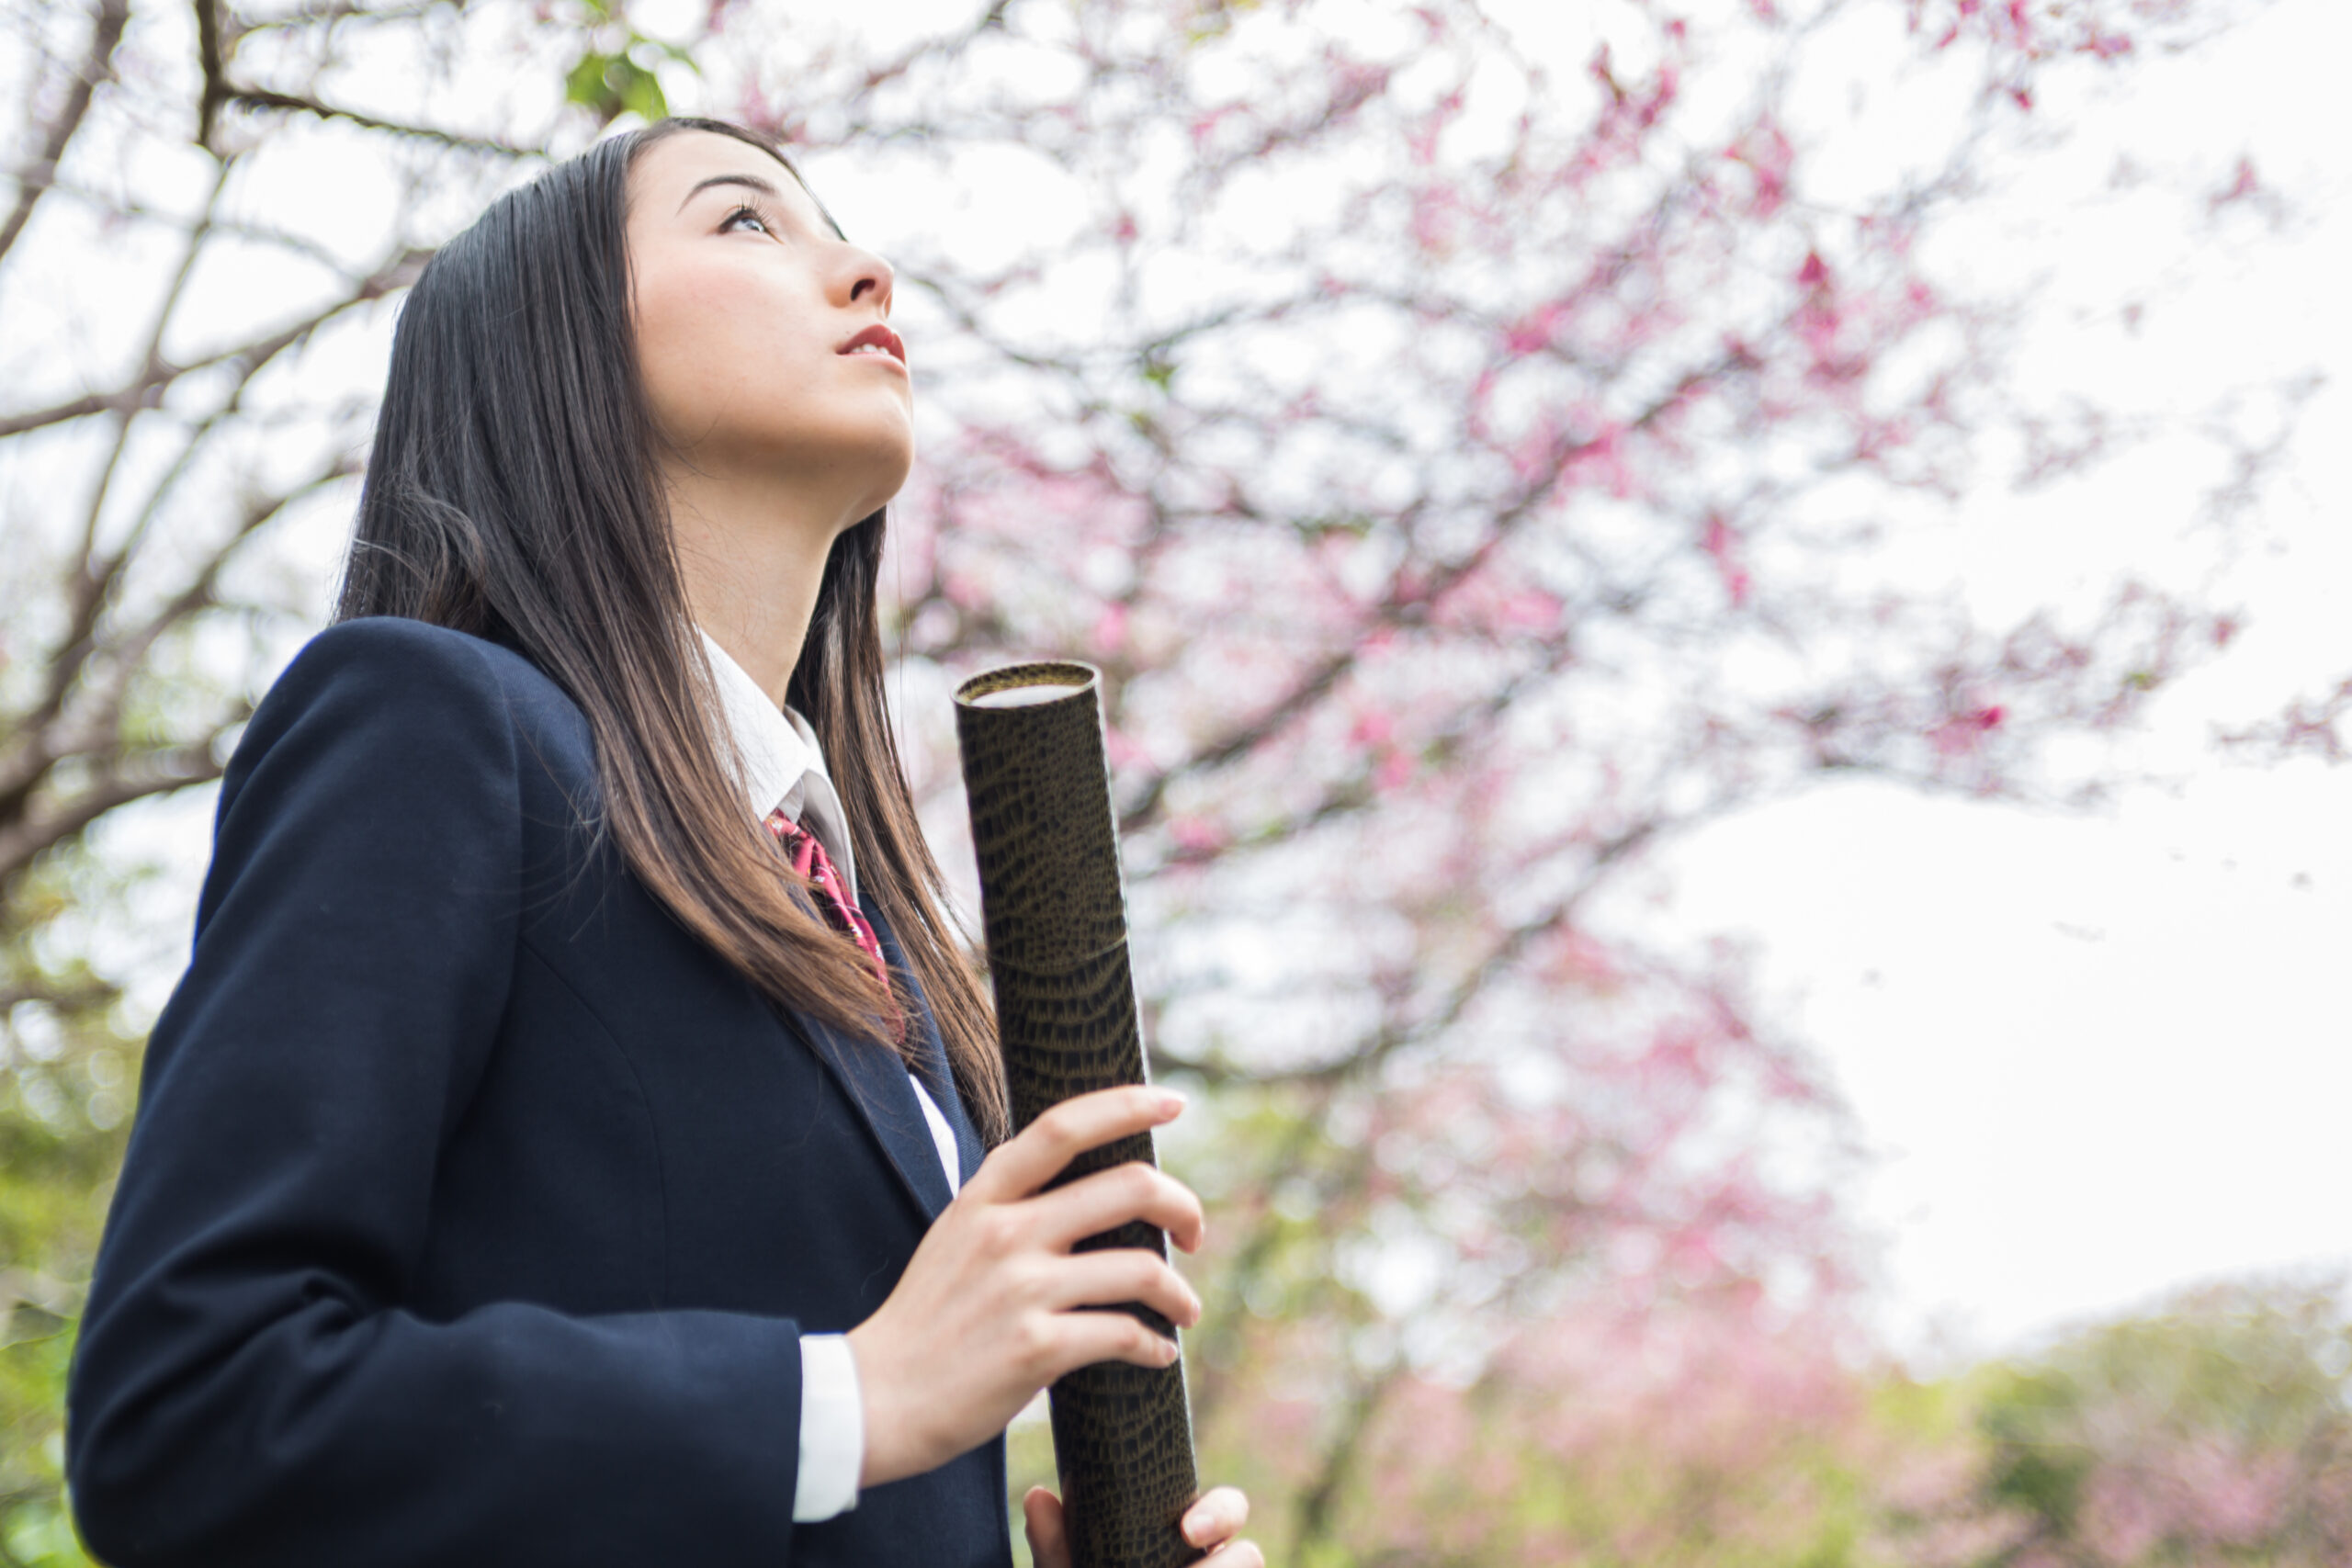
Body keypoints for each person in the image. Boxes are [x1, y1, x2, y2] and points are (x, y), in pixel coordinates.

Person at [63, 116, 1260, 1568]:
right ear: (553, 347)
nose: (865, 270)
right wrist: (851, 1398)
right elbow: (188, 1408)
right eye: (748, 222)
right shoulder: (429, 721)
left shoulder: (872, 938)